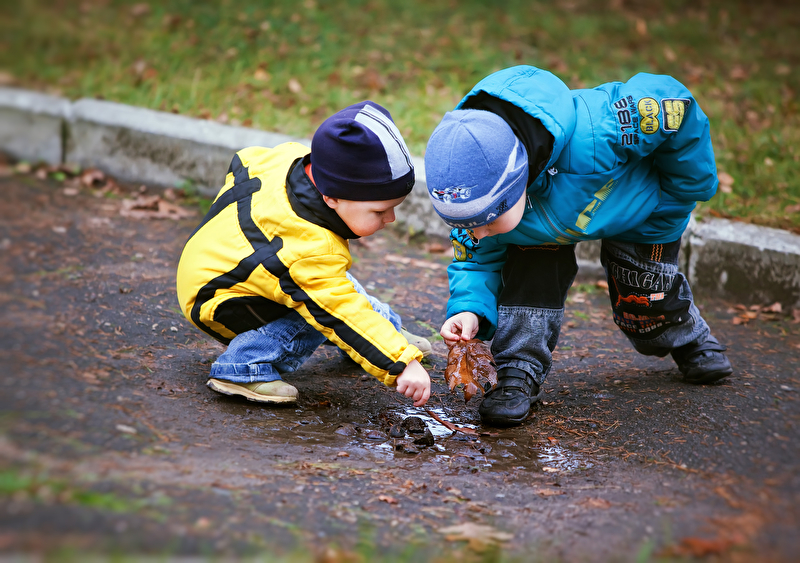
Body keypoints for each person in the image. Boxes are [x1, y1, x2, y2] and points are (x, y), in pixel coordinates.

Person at [424, 65, 733, 426]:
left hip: (638, 210)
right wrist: (469, 310)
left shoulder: (600, 131)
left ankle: (688, 337)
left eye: (486, 222)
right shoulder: (477, 207)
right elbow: (475, 262)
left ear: (517, 184)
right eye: (463, 226)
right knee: (529, 284)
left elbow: (672, 103)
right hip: (538, 234)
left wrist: (688, 187)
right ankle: (518, 372)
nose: (475, 233)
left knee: (645, 300)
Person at [177, 101, 432, 408]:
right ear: (332, 198)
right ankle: (243, 366)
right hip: (219, 300)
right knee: (322, 308)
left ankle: (382, 335)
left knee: (328, 283)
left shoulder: (293, 160)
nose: (390, 219)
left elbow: (246, 159)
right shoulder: (306, 248)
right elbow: (339, 310)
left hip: (218, 264)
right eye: (379, 211)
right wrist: (401, 363)